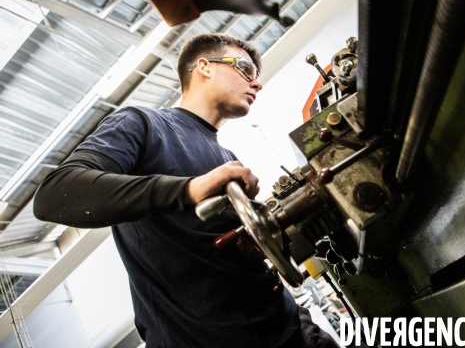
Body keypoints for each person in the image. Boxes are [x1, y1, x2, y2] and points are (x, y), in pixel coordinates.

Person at [33, 33, 339, 348]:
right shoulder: (144, 125)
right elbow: (55, 194)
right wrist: (189, 189)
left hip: (288, 327)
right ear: (204, 67)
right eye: (246, 70)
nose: (256, 84)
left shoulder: (227, 158)